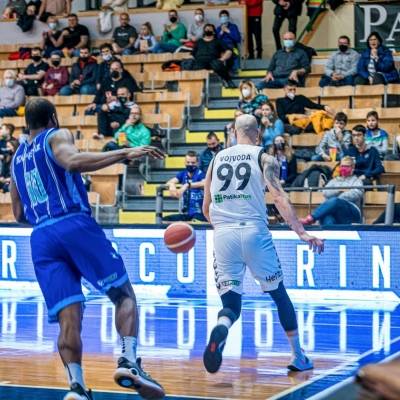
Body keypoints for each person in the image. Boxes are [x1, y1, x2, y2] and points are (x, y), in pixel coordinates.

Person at [10, 98, 165, 400]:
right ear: (53, 118)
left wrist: (46, 217)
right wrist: (123, 153)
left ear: (27, 124)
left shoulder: (16, 158)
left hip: (41, 238)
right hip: (72, 223)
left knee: (68, 317)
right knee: (123, 295)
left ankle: (77, 387)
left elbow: (17, 213)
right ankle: (129, 362)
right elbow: (72, 161)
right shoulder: (56, 135)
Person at [202, 114, 323, 375]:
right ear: (258, 134)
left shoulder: (216, 158)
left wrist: (223, 228)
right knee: (279, 295)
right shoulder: (265, 158)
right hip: (254, 231)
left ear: (233, 133)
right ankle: (298, 356)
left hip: (222, 234)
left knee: (231, 304)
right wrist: (301, 232)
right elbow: (278, 197)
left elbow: (205, 207)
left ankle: (222, 327)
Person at [300, 156, 363, 225]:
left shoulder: (357, 181)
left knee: (335, 201)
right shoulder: (334, 181)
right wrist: (339, 190)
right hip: (335, 211)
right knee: (326, 216)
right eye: (342, 166)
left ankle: (311, 218)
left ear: (352, 167)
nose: (344, 168)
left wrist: (336, 200)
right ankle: (330, 230)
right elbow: (325, 193)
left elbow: (356, 194)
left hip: (352, 212)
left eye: (346, 166)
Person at [165, 151, 206, 222]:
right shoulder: (183, 173)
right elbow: (169, 183)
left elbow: (205, 183)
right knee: (166, 220)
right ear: (185, 162)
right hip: (185, 213)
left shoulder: (201, 174)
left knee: (195, 221)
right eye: (188, 162)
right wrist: (172, 185)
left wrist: (187, 185)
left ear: (197, 163)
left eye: (193, 163)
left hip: (199, 213)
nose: (190, 164)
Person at [190, 24, 235, 89]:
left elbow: (229, 51)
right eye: (206, 29)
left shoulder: (218, 41)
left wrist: (222, 59)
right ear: (204, 31)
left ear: (213, 32)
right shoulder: (199, 41)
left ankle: (228, 80)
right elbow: (192, 54)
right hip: (200, 63)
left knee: (218, 64)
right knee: (188, 64)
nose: (208, 30)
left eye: (210, 29)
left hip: (213, 62)